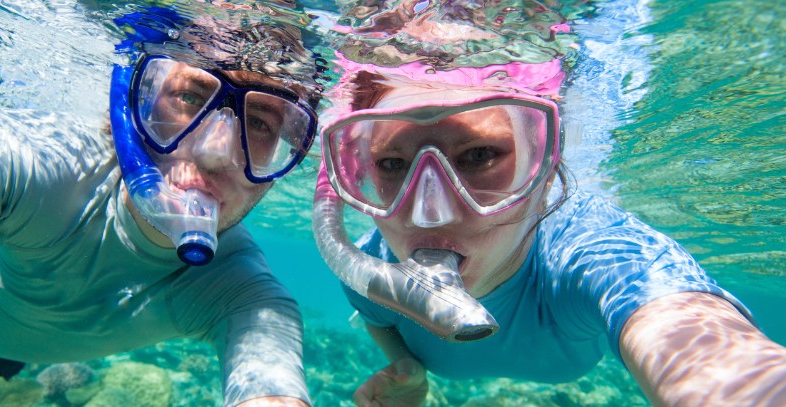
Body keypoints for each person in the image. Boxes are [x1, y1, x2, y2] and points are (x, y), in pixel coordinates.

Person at [0, 2, 321, 406]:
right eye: (188, 97)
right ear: (132, 100)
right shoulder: (26, 160)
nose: (218, 154)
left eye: (261, 123)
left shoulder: (243, 292)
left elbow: (267, 379)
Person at [310, 1, 786, 406]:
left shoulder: (595, 249)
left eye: (478, 156)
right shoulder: (369, 265)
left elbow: (699, 342)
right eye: (392, 164)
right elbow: (379, 319)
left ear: (545, 165)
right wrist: (410, 373)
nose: (428, 213)